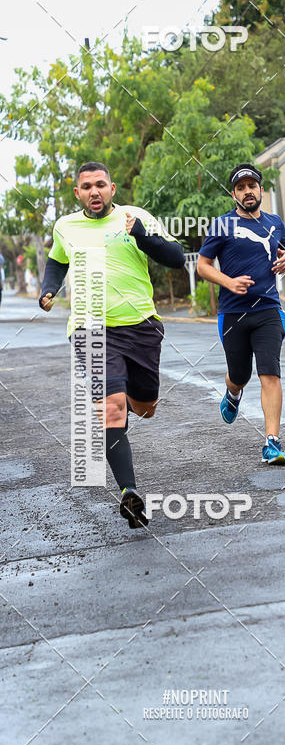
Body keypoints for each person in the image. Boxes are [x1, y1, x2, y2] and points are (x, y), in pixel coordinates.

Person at [39, 161, 185, 528]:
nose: (94, 191)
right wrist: (49, 289)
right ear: (78, 193)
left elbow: (176, 258)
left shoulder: (136, 217)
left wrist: (142, 236)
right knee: (112, 407)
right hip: (89, 329)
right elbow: (56, 262)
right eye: (87, 186)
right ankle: (129, 491)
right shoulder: (65, 227)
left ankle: (129, 398)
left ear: (112, 188)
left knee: (146, 407)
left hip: (141, 327)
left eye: (100, 185)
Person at [196, 163, 285, 465]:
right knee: (239, 375)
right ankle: (232, 393)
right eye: (240, 188)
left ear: (261, 190)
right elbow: (202, 265)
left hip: (268, 309)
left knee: (270, 372)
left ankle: (272, 442)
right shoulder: (222, 225)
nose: (247, 191)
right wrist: (229, 282)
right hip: (233, 313)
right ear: (234, 195)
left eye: (252, 186)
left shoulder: (274, 222)